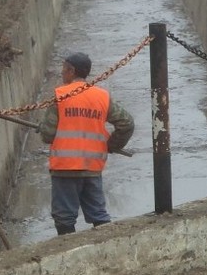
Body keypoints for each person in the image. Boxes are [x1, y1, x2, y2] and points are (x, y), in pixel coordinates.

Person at [38, 53, 135, 236]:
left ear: (71, 71)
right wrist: (110, 145)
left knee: (64, 218)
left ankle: (66, 254)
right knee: (98, 215)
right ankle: (107, 250)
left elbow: (48, 134)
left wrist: (43, 129)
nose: (62, 73)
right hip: (92, 167)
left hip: (65, 169)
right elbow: (127, 123)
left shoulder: (60, 95)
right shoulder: (101, 96)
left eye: (64, 69)